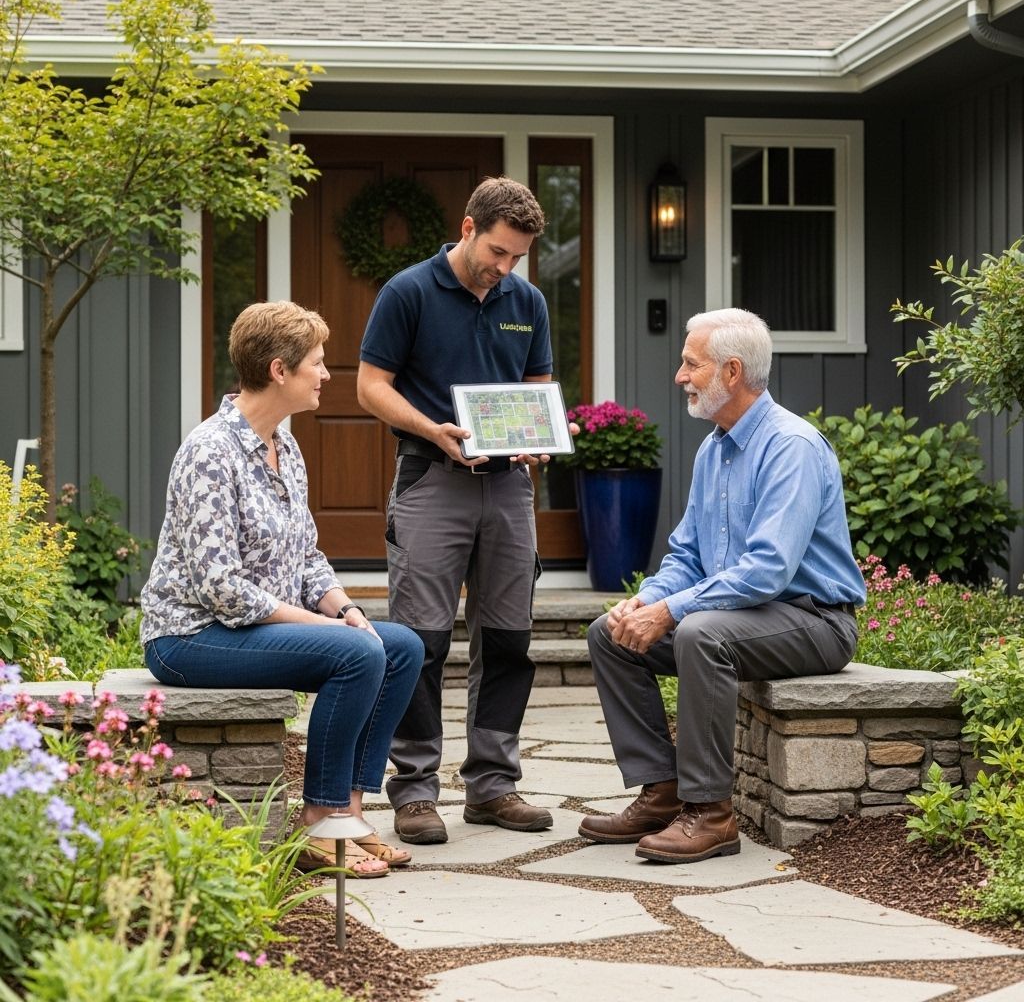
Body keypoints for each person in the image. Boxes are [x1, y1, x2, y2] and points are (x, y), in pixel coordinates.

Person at [140, 301, 423, 877]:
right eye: (317, 363)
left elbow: (307, 556)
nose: (326, 374)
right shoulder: (209, 453)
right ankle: (317, 827)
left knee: (400, 647)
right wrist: (325, 626)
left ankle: (347, 813)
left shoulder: (284, 446)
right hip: (192, 637)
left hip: (254, 627)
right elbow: (221, 589)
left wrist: (343, 606)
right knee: (356, 651)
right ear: (278, 370)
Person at [578, 308, 865, 864]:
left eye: (691, 364)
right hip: (748, 617)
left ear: (731, 372)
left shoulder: (792, 447)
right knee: (608, 635)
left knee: (699, 634)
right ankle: (661, 791)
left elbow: (767, 571)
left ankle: (711, 813)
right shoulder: (715, 447)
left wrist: (673, 612)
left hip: (816, 620)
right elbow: (688, 552)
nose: (680, 376)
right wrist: (647, 602)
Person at [357, 176, 555, 845]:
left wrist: (541, 434)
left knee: (508, 639)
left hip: (508, 489)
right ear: (468, 228)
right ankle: (414, 791)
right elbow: (370, 386)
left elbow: (538, 385)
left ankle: (493, 786)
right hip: (430, 479)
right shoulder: (407, 292)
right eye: (498, 252)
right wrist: (432, 427)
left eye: (517, 258)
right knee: (421, 642)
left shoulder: (526, 301)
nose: (505, 268)